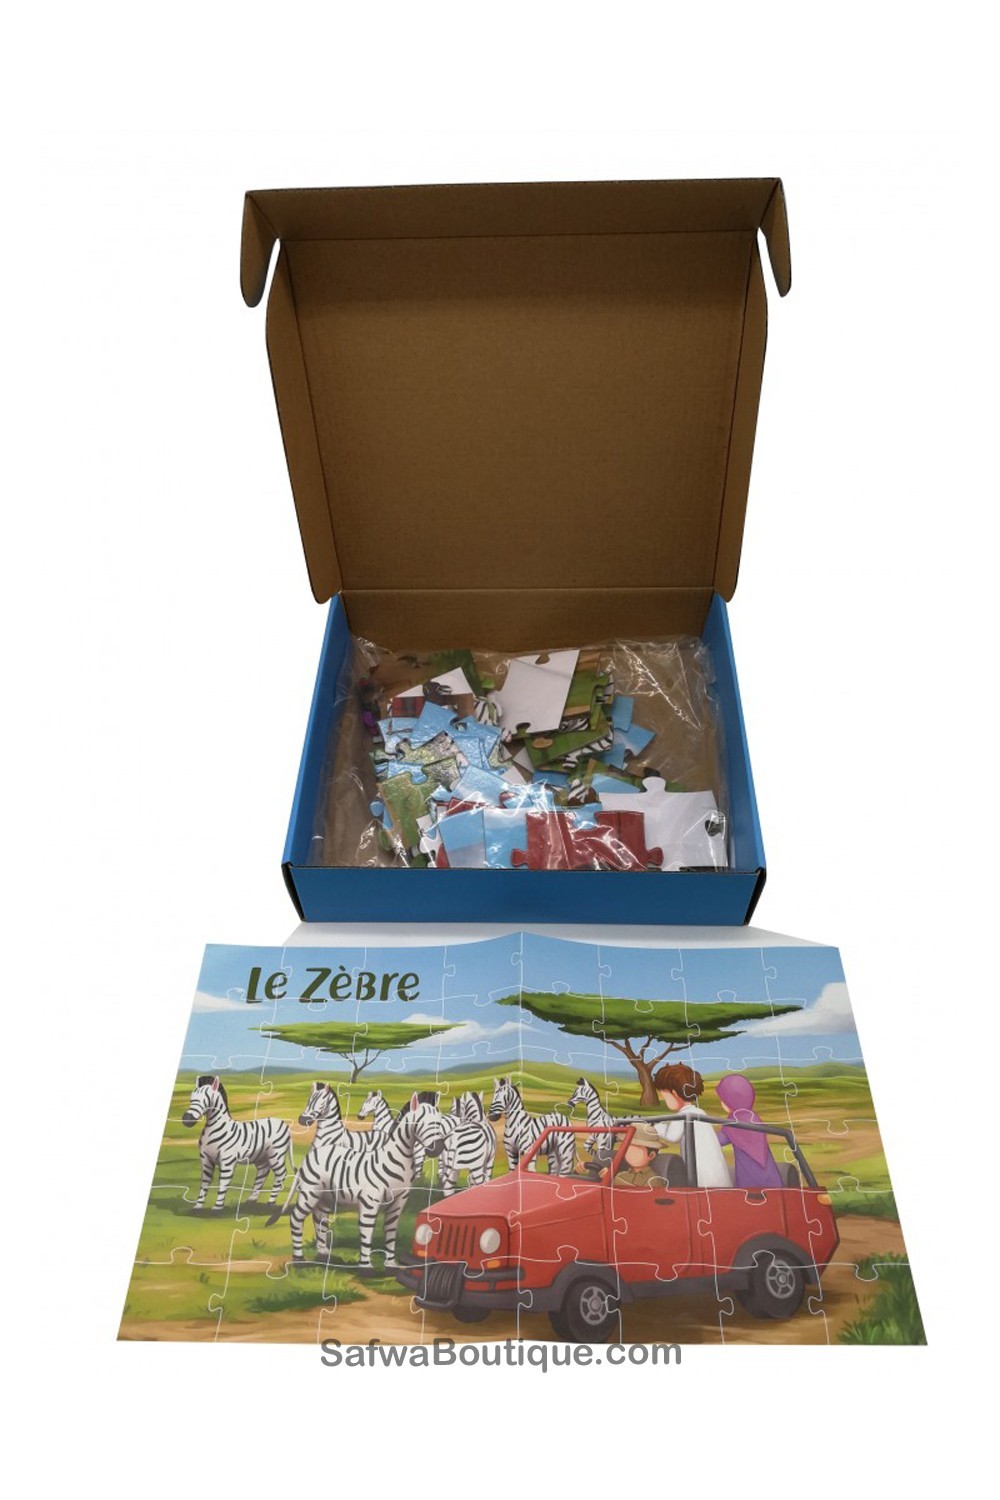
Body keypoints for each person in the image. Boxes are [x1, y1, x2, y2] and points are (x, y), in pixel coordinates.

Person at [651, 1062, 732, 1187]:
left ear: (674, 1093)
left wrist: (655, 1125)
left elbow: (672, 1136)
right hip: (718, 1179)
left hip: (703, 1180)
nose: (664, 1100)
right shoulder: (700, 1113)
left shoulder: (685, 1115)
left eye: (664, 1096)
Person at [715, 1074, 783, 1189]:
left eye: (722, 1099)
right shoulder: (754, 1117)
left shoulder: (734, 1123)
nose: (721, 1102)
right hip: (773, 1181)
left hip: (750, 1183)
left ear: (730, 1100)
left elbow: (716, 1141)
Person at [601, 1123, 668, 1187]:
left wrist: (613, 1180)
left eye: (637, 1151)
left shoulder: (654, 1179)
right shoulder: (621, 1175)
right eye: (628, 1149)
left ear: (651, 1155)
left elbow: (640, 1193)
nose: (631, 1154)